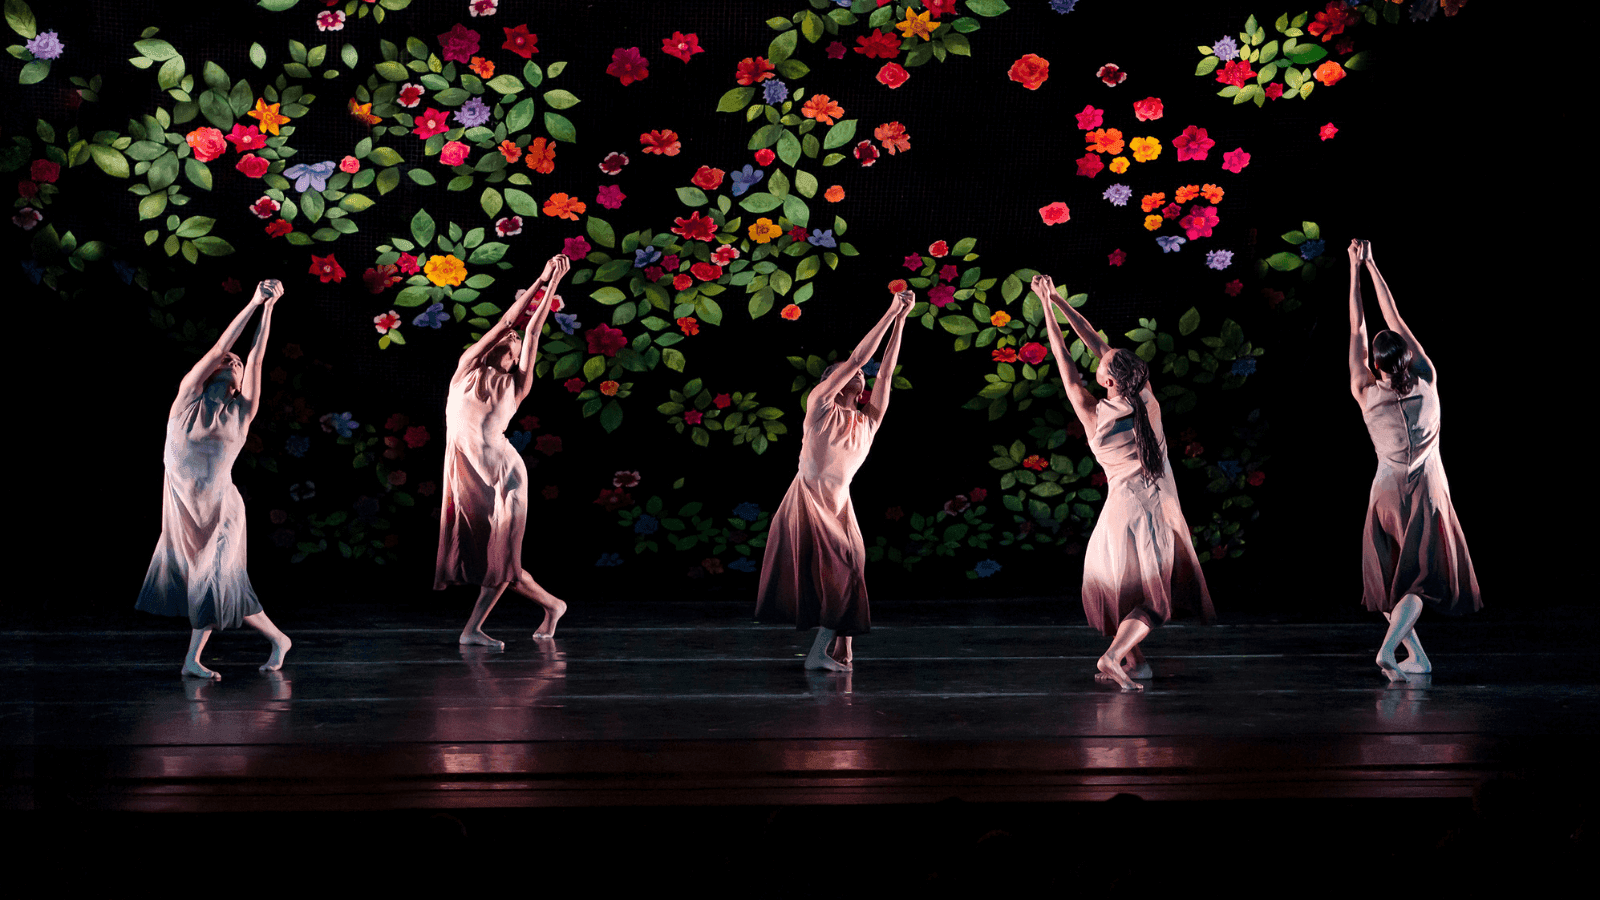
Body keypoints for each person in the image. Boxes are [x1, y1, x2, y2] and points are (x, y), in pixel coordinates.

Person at [1031, 274, 1214, 690]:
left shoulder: (1093, 415)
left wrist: (1048, 303)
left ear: (1109, 381)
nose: (1098, 360)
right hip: (1153, 510)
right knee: (1150, 600)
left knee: (1124, 593)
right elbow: (1099, 343)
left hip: (1119, 515)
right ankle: (1122, 658)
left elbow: (1066, 356)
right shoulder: (1147, 399)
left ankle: (1126, 660)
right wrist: (1057, 297)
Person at [137, 279, 293, 679]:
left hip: (222, 508)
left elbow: (257, 357)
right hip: (184, 509)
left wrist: (270, 309)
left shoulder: (241, 414)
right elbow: (221, 347)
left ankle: (192, 660)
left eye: (238, 366)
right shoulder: (185, 400)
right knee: (219, 586)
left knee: (213, 580)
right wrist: (253, 301)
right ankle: (278, 638)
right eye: (228, 361)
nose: (234, 362)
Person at [756, 290, 915, 671]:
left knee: (853, 568)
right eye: (850, 371)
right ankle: (820, 653)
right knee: (842, 567)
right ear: (833, 382)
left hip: (841, 503)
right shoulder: (820, 407)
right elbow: (861, 356)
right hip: (810, 498)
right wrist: (890, 310)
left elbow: (886, 370)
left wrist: (903, 321)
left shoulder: (869, 419)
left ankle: (840, 650)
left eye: (861, 373)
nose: (860, 372)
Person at [1346, 239, 1480, 682]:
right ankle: (1391, 650)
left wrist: (1353, 270)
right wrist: (1373, 265)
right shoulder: (1426, 379)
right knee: (1419, 580)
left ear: (1377, 366)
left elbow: (1358, 328)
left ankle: (1414, 656)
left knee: (1390, 579)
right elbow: (1394, 318)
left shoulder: (1366, 393)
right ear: (1406, 356)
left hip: (1386, 491)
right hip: (1427, 488)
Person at [437, 253, 571, 649]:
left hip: (505, 477)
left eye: (515, 344)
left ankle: (473, 629)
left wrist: (554, 287)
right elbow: (507, 323)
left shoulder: (516, 385)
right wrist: (541, 277)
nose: (512, 339)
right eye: (508, 338)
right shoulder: (466, 369)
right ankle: (552, 605)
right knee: (492, 563)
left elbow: (530, 331)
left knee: (504, 561)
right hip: (469, 477)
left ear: (517, 360)